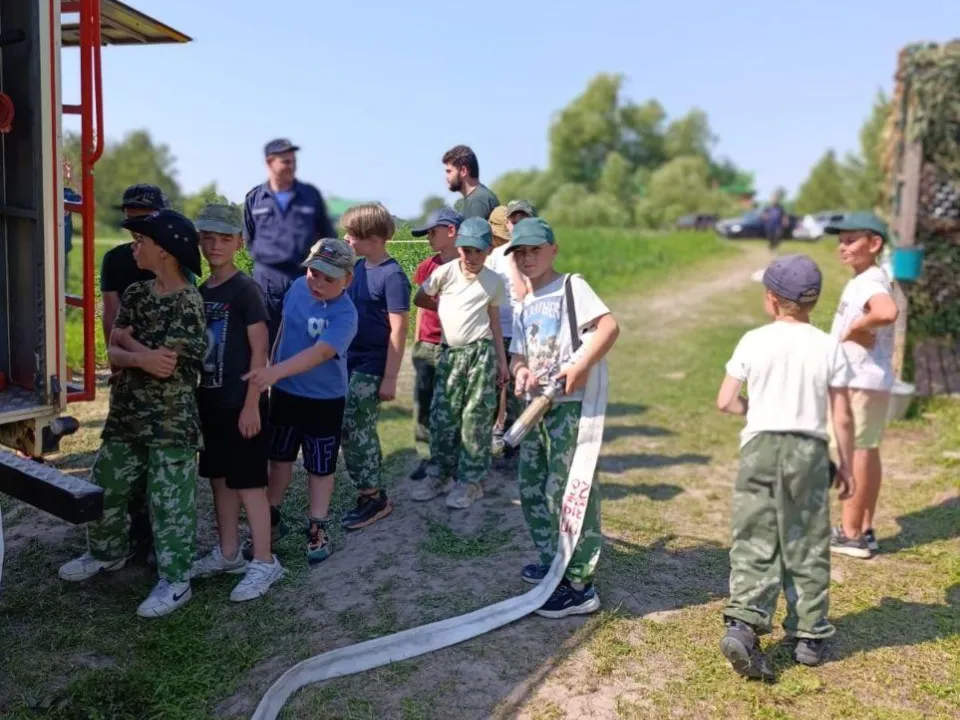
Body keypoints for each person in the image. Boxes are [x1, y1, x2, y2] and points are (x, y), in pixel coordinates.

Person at [58, 210, 207, 618]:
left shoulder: (188, 302)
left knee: (169, 502)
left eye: (141, 240)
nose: (133, 247)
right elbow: (113, 349)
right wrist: (133, 351)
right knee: (105, 485)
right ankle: (107, 553)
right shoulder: (138, 293)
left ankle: (176, 581)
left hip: (170, 422)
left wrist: (132, 349)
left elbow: (165, 365)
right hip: (127, 416)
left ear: (165, 250)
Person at [716, 253, 855, 678]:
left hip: (760, 447)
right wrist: (847, 465)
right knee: (807, 540)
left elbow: (725, 400)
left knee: (755, 535)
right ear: (813, 301)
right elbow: (842, 415)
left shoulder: (753, 340)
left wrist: (754, 410)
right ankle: (809, 635)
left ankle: (744, 623)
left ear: (772, 299)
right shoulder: (829, 346)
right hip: (808, 451)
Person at [506, 217, 620, 618]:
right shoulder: (524, 303)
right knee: (533, 487)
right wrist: (521, 371)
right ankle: (554, 562)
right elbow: (518, 355)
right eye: (520, 252)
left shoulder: (572, 286)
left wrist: (582, 365)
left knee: (569, 490)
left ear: (553, 249)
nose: (527, 258)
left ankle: (579, 585)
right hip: (534, 409)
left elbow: (608, 327)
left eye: (535, 250)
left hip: (568, 408)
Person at [188, 204, 284, 602]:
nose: (215, 246)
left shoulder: (246, 291)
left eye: (224, 239)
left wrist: (251, 404)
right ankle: (228, 553)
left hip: (241, 403)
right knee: (220, 479)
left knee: (249, 484)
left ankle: (264, 560)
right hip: (211, 402)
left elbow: (260, 351)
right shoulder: (201, 291)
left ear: (240, 243)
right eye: (208, 238)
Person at [243, 238, 358, 565]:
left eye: (329, 278)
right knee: (279, 457)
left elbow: (320, 353)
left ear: (348, 280)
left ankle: (317, 525)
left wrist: (275, 371)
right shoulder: (296, 288)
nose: (318, 283)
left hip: (324, 400)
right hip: (285, 393)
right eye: (313, 273)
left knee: (320, 466)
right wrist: (272, 365)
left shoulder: (346, 314)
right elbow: (282, 331)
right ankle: (270, 518)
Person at [412, 217, 508, 509]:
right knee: (444, 417)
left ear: (489, 250)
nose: (472, 257)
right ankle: (440, 474)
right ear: (459, 247)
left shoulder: (494, 281)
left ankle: (470, 482)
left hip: (480, 354)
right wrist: (444, 306)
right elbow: (420, 297)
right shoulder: (445, 273)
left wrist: (502, 362)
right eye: (467, 250)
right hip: (450, 354)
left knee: (475, 419)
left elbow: (494, 323)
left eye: (479, 251)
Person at [98, 184, 171, 567]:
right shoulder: (115, 259)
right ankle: (130, 535)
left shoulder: (174, 258)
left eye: (144, 217)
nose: (135, 225)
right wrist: (119, 366)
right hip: (129, 368)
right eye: (130, 218)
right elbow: (110, 317)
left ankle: (158, 539)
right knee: (124, 458)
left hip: (163, 373)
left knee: (161, 464)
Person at [823, 213, 899, 559]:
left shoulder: (870, 282)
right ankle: (864, 528)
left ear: (874, 243)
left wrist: (856, 328)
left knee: (854, 452)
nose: (843, 246)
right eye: (841, 240)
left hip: (859, 379)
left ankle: (850, 534)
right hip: (869, 380)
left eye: (851, 240)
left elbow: (887, 312)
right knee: (867, 450)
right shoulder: (867, 278)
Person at [340, 203, 411, 531]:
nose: (347, 239)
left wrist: (390, 377)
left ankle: (374, 497)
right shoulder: (356, 268)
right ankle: (366, 488)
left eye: (353, 235)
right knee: (349, 424)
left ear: (375, 238)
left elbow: (399, 329)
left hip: (373, 363)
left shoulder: (393, 276)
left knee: (357, 424)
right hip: (349, 359)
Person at [243, 139, 337, 349]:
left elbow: (328, 237)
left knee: (303, 342)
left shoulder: (310, 196)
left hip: (304, 280)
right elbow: (250, 239)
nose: (291, 166)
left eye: (293, 161)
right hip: (267, 284)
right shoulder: (255, 198)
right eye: (285, 161)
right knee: (267, 344)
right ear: (270, 162)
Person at [408, 207, 463, 481]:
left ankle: (454, 457)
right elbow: (421, 307)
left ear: (451, 231)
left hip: (455, 346)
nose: (428, 238)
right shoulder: (427, 267)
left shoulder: (469, 267)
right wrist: (418, 340)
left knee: (453, 404)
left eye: (432, 232)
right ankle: (426, 455)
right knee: (424, 402)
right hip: (428, 344)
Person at [486, 205, 527, 457]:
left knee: (517, 391)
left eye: (523, 219)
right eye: (513, 221)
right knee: (492, 385)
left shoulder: (535, 254)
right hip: (497, 330)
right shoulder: (495, 255)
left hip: (524, 333)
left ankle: (515, 443)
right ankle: (489, 438)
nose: (517, 225)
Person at [442, 145, 499, 220]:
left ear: (463, 171)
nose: (446, 177)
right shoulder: (462, 203)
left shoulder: (479, 201)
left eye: (449, 171)